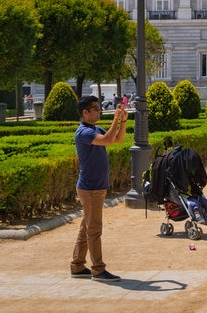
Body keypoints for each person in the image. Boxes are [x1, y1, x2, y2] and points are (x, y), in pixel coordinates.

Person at [70, 95, 127, 281]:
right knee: (94, 229)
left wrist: (123, 121)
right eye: (95, 108)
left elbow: (117, 139)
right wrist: (116, 118)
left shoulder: (93, 129)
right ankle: (98, 269)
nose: (99, 110)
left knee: (86, 226)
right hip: (91, 188)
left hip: (95, 186)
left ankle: (77, 266)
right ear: (85, 112)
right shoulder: (83, 132)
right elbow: (108, 140)